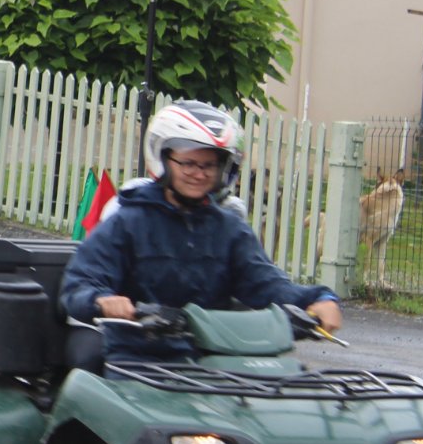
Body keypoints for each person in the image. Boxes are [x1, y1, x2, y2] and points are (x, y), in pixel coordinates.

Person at [60, 100, 342, 369]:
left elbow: (265, 282)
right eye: (189, 163)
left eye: (209, 165)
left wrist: (317, 299)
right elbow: (79, 285)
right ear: (164, 159)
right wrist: (103, 301)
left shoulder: (229, 229)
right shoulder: (127, 222)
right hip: (140, 361)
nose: (199, 174)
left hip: (214, 361)